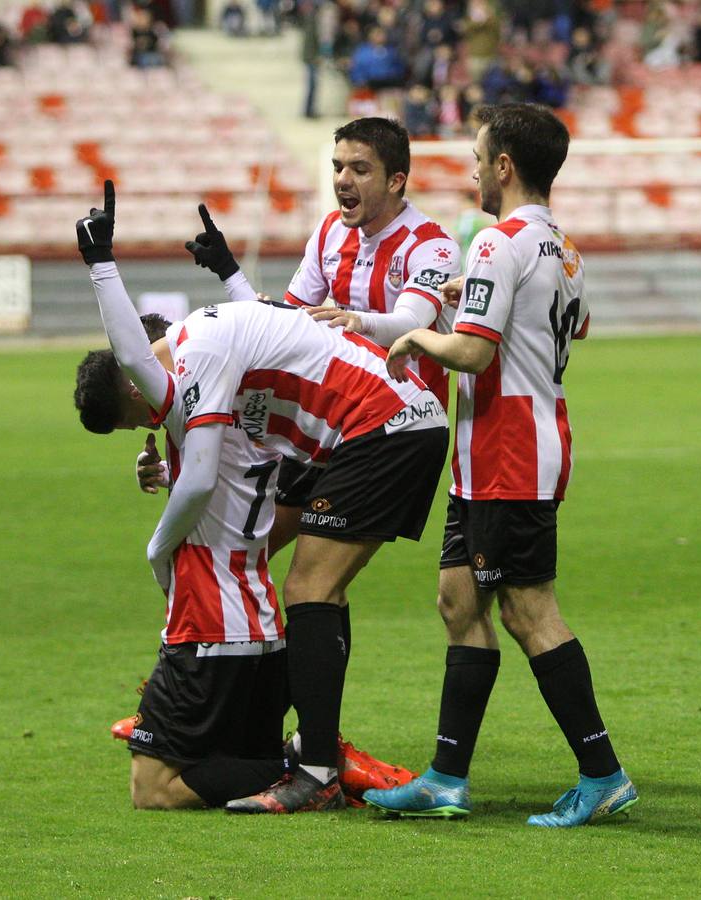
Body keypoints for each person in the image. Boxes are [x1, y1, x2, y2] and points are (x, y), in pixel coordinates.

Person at [78, 182, 450, 814]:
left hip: (381, 424)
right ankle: (302, 738)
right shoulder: (211, 347)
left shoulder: (198, 355)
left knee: (308, 588)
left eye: (137, 419)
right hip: (361, 431)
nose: (152, 426)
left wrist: (158, 549)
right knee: (290, 571)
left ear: (136, 389)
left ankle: (316, 765)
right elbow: (227, 463)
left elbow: (201, 474)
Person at [364, 103, 638, 827]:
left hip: (508, 449)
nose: (474, 173)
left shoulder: (496, 241)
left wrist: (416, 338)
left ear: (505, 166)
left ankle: (603, 773)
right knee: (459, 601)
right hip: (506, 445)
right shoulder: (562, 247)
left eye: (479, 160)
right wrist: (477, 299)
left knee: (527, 610)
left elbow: (474, 352)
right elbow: (565, 323)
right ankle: (446, 779)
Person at [181, 117, 461, 722]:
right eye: (338, 167)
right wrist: (230, 273)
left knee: (311, 583)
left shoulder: (432, 245)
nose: (342, 180)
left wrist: (355, 321)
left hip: (387, 429)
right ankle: (236, 713)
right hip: (319, 430)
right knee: (242, 552)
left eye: (359, 169)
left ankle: (296, 740)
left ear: (396, 179)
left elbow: (410, 323)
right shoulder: (330, 233)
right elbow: (282, 323)